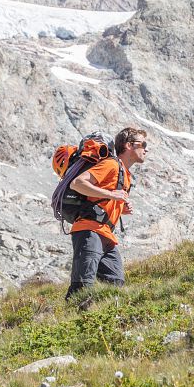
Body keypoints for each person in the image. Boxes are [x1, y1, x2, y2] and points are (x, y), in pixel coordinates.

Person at [65, 127, 148, 303]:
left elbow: (101, 197)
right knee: (82, 283)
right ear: (128, 145)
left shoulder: (125, 174)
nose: (146, 149)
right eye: (143, 144)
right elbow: (77, 183)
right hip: (89, 230)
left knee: (115, 281)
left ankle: (105, 321)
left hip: (106, 235)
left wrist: (120, 208)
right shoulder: (111, 165)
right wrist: (112, 195)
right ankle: (69, 319)